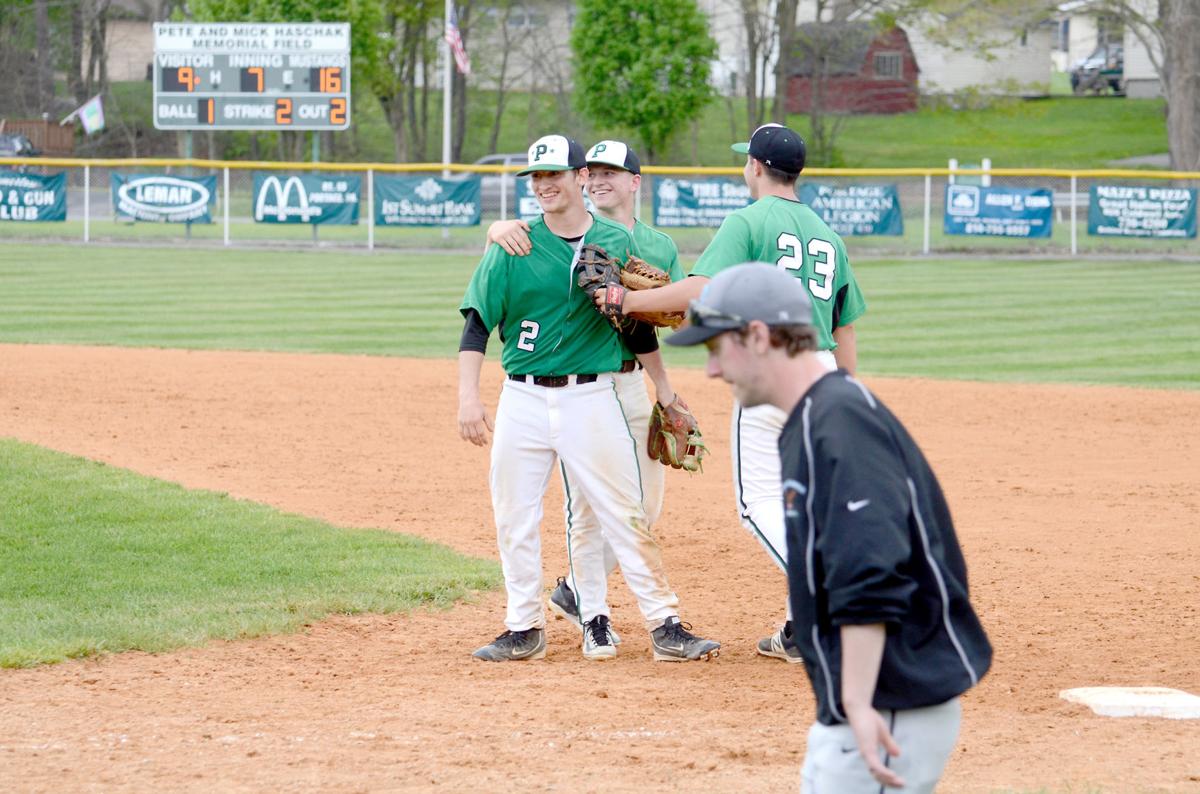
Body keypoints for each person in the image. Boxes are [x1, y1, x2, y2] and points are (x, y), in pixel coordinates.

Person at [666, 263, 992, 792]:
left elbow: (872, 567)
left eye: (715, 348)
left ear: (758, 336)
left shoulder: (838, 420)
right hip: (871, 700)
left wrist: (860, 702)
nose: (711, 371)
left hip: (890, 698)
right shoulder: (815, 415)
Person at [601, 123, 867, 662]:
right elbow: (844, 323)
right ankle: (798, 631)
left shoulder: (749, 220)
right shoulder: (828, 234)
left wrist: (626, 302)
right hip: (821, 370)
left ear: (756, 168)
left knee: (758, 503)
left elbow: (703, 290)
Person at [458, 133, 718, 663]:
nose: (544, 185)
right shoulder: (513, 244)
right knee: (514, 515)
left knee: (624, 511)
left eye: (554, 174)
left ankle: (665, 625)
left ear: (578, 178)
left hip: (592, 396)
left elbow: (636, 330)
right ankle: (522, 627)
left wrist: (662, 385)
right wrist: (469, 397)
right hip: (521, 399)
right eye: (536, 177)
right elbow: (477, 323)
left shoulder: (617, 243)